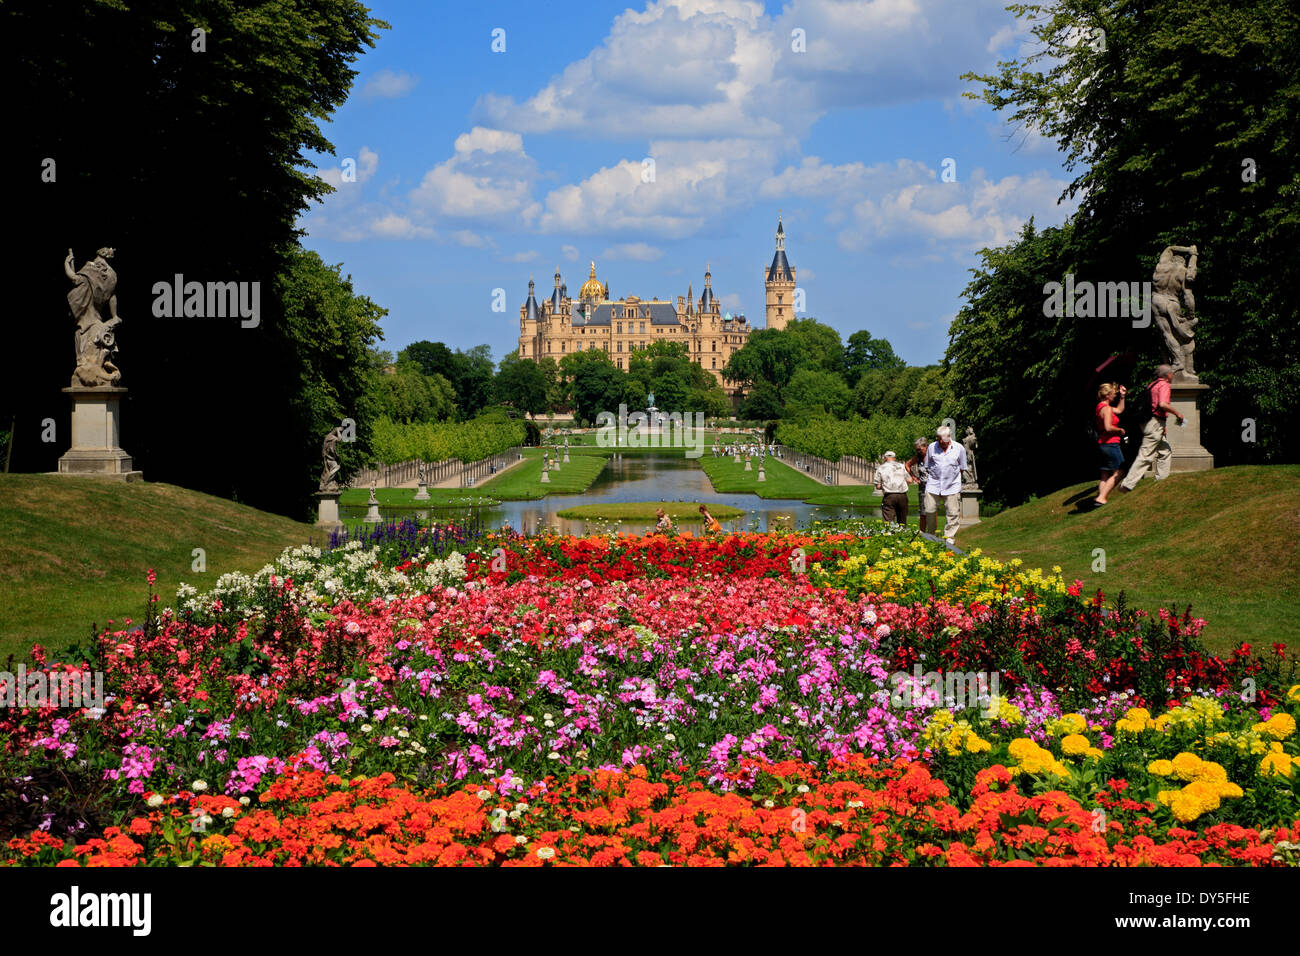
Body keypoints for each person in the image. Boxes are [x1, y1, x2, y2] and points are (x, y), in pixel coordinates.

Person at [1120, 365, 1184, 491]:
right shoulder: (1164, 385)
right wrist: (1178, 414)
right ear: (1168, 375)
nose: (1173, 375)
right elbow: (1162, 404)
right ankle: (1128, 484)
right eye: (1172, 373)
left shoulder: (1152, 385)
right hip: (1155, 423)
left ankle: (1161, 481)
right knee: (1146, 455)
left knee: (1165, 451)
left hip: (1148, 422)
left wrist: (1162, 427)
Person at [924, 426, 967, 546]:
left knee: (953, 513)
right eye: (938, 439)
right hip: (933, 484)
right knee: (929, 509)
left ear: (949, 437)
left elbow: (962, 467)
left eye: (943, 440)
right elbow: (928, 464)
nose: (940, 442)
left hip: (952, 485)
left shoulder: (959, 448)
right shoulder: (932, 447)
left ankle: (949, 537)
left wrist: (954, 479)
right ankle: (931, 534)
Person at [1092, 382, 1126, 506]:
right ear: (1107, 395)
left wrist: (1123, 396)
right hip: (1110, 444)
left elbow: (1120, 410)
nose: (1114, 396)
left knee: (1105, 474)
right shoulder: (1106, 408)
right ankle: (1101, 498)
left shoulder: (1100, 407)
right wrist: (1119, 430)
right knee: (1121, 471)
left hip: (1102, 444)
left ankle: (1100, 501)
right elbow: (1108, 427)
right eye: (1113, 394)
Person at [874, 451, 911, 526]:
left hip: (889, 496)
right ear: (894, 458)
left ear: (885, 458)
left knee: (888, 520)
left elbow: (878, 486)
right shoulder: (901, 466)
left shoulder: (880, 468)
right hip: (902, 495)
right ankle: (902, 534)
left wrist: (885, 486)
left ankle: (890, 535)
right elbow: (910, 480)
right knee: (902, 521)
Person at [905, 437, 931, 534]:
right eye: (917, 450)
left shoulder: (933, 456)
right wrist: (914, 477)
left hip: (934, 487)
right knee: (923, 513)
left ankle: (933, 534)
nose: (918, 451)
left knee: (932, 512)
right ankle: (923, 534)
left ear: (926, 446)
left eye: (920, 449)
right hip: (923, 488)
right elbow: (907, 465)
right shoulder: (918, 457)